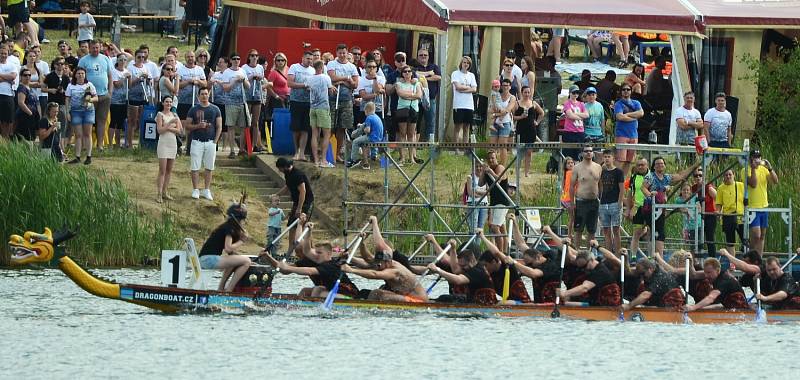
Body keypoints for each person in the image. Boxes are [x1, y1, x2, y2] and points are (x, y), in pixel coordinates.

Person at [642, 157, 699, 254]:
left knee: (659, 233)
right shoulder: (650, 176)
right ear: (654, 167)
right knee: (655, 232)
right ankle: (654, 257)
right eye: (657, 164)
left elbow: (680, 176)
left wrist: (694, 166)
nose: (660, 165)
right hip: (651, 208)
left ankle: (657, 257)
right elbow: (643, 188)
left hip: (661, 208)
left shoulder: (666, 177)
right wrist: (650, 195)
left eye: (662, 163)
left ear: (664, 166)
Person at [198, 201, 253, 292]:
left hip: (203, 259)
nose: (244, 223)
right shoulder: (229, 229)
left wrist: (239, 257)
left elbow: (230, 252)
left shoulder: (227, 226)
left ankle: (221, 288)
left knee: (235, 260)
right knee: (246, 262)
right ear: (239, 220)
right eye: (244, 220)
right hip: (208, 260)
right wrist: (242, 240)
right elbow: (228, 248)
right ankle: (229, 290)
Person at [426, 244, 499, 305]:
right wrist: (453, 248)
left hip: (486, 303)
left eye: (463, 266)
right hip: (475, 300)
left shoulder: (477, 271)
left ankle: (429, 303)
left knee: (445, 298)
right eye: (460, 266)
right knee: (446, 298)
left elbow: (458, 280)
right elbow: (455, 269)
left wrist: (438, 270)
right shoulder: (471, 267)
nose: (461, 268)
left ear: (472, 260)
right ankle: (429, 301)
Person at [475, 228, 532, 303]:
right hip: (507, 304)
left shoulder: (507, 264)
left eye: (486, 265)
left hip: (522, 302)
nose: (484, 268)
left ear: (493, 262)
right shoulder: (489, 273)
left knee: (504, 303)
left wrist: (482, 236)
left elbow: (496, 252)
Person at [186, 86, 222, 200]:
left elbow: (219, 126)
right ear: (198, 96)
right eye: (202, 94)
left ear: (209, 94)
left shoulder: (215, 109)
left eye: (206, 94)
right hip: (197, 141)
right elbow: (187, 126)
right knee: (195, 166)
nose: (204, 96)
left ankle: (206, 189)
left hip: (210, 141)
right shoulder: (193, 109)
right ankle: (195, 189)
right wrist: (198, 126)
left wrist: (215, 141)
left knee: (209, 167)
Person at [78, 40, 113, 152]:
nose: (95, 50)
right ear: (89, 48)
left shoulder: (105, 59)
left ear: (100, 47)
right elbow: (79, 77)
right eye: (93, 48)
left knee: (101, 120)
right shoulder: (83, 60)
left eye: (97, 47)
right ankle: (85, 145)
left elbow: (110, 76)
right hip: (89, 95)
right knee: (87, 120)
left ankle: (100, 145)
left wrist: (110, 92)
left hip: (104, 95)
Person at [326, 44, 359, 163]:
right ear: (336, 53)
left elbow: (355, 84)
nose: (342, 55)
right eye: (340, 53)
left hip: (346, 100)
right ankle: (325, 152)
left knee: (342, 127)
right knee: (329, 127)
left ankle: (337, 153)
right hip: (332, 99)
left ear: (347, 52)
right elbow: (332, 78)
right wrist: (347, 79)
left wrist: (343, 81)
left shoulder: (352, 66)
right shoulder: (331, 64)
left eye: (344, 53)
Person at [557, 247, 621, 306]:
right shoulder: (591, 267)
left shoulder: (600, 271)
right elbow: (571, 257)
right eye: (581, 268)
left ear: (592, 260)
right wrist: (566, 244)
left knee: (566, 303)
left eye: (585, 266)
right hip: (593, 300)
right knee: (566, 303)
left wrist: (564, 293)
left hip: (606, 304)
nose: (584, 269)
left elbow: (584, 288)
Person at [744, 150, 778, 255]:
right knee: (756, 235)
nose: (757, 159)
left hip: (764, 206)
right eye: (755, 157)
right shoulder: (745, 170)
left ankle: (759, 259)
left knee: (762, 236)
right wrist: (754, 169)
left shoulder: (764, 169)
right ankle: (751, 256)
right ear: (750, 159)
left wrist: (770, 168)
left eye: (758, 157)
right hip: (752, 207)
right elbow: (753, 184)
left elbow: (775, 181)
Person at [274, 157, 314, 245]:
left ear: (285, 167)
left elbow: (303, 191)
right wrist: (277, 195)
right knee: (291, 226)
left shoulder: (297, 175)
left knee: (303, 226)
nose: (280, 171)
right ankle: (290, 250)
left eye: (280, 169)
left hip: (306, 203)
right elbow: (287, 186)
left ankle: (309, 248)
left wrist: (299, 209)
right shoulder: (288, 174)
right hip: (297, 202)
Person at [683, 258, 748, 311]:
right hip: (728, 307)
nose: (706, 275)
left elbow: (711, 298)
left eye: (709, 273)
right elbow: (694, 275)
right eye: (705, 272)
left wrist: (693, 308)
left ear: (717, 270)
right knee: (700, 308)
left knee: (697, 308)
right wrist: (691, 262)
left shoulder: (724, 280)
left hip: (740, 311)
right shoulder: (716, 272)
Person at [570, 146, 602, 248]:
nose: (588, 153)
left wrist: (601, 199)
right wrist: (572, 203)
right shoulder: (577, 167)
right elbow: (571, 186)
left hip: (594, 202)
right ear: (582, 153)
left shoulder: (598, 167)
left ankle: (590, 253)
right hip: (581, 201)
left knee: (592, 230)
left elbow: (600, 185)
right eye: (586, 151)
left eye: (590, 151)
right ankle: (576, 251)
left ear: (593, 153)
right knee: (578, 230)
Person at [65, 67, 97, 165]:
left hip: (88, 111)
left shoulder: (89, 85)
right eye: (78, 73)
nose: (80, 75)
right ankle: (77, 157)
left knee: (87, 134)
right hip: (76, 111)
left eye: (82, 73)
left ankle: (88, 156)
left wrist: (89, 100)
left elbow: (96, 97)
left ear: (85, 75)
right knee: (78, 135)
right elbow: (67, 99)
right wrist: (67, 112)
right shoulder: (71, 86)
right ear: (75, 75)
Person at [307, 60, 335, 167]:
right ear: (322, 67)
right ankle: (323, 160)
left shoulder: (310, 78)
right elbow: (330, 91)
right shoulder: (325, 77)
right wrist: (331, 88)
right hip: (323, 108)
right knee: (326, 134)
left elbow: (308, 87)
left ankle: (316, 160)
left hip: (312, 107)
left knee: (314, 134)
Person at [480, 150, 510, 251]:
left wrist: (491, 172)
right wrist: (483, 172)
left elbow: (499, 179)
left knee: (494, 227)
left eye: (493, 158)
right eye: (489, 159)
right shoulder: (488, 170)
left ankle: (500, 252)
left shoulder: (500, 167)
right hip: (494, 202)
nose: (491, 160)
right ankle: (505, 251)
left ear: (496, 158)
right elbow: (480, 184)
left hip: (502, 201)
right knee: (502, 228)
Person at [221, 53, 250, 157]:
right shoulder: (227, 72)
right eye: (234, 59)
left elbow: (248, 86)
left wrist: (243, 80)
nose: (236, 60)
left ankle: (241, 149)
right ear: (231, 60)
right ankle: (232, 150)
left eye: (238, 58)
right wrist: (234, 81)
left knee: (244, 126)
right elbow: (225, 88)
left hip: (242, 102)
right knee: (231, 126)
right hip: (230, 103)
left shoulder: (243, 71)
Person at [287, 51, 314, 161]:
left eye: (311, 59)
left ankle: (302, 153)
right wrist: (304, 85)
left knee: (305, 128)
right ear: (302, 58)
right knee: (296, 128)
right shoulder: (294, 67)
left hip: (309, 102)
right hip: (296, 101)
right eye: (308, 58)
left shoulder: (313, 70)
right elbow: (290, 83)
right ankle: (296, 151)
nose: (309, 61)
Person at [155, 96, 182, 203]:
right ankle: (159, 193)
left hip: (172, 144)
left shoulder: (175, 115)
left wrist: (169, 127)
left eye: (170, 102)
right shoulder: (160, 115)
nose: (169, 104)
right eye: (167, 102)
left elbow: (180, 131)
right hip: (163, 143)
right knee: (162, 170)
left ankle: (165, 191)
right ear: (163, 103)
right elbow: (160, 130)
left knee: (169, 170)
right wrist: (171, 123)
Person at [394, 65, 423, 164]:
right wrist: (412, 95)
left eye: (409, 71)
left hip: (413, 109)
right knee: (402, 133)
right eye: (405, 71)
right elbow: (400, 94)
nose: (407, 73)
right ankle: (402, 157)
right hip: (402, 109)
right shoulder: (398, 83)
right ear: (402, 74)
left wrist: (408, 96)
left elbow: (419, 95)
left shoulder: (416, 83)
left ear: (411, 73)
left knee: (411, 134)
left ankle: (411, 158)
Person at [512, 86, 544, 177]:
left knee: (529, 152)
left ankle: (527, 172)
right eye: (525, 92)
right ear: (522, 93)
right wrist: (521, 117)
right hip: (521, 129)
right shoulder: (517, 103)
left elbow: (542, 113)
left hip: (531, 130)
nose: (527, 94)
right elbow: (512, 117)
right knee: (520, 151)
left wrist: (537, 122)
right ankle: (517, 171)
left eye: (528, 92)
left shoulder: (533, 103)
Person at [614, 84, 644, 175]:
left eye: (628, 89)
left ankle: (624, 182)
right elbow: (619, 117)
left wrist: (626, 115)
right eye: (624, 89)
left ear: (631, 91)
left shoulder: (636, 103)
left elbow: (641, 113)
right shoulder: (618, 104)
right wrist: (634, 118)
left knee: (629, 161)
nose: (626, 91)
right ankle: (615, 181)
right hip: (621, 135)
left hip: (633, 135)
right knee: (620, 160)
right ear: (621, 91)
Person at [599, 149, 625, 252]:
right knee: (606, 230)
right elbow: (600, 186)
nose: (607, 159)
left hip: (615, 202)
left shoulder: (618, 172)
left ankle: (618, 254)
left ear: (613, 158)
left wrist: (619, 203)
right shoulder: (602, 171)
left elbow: (622, 189)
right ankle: (608, 253)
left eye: (609, 156)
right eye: (605, 157)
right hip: (603, 203)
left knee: (616, 230)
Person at [625, 158, 651, 257]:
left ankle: (650, 256)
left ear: (647, 165)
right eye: (638, 165)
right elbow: (630, 194)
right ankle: (633, 256)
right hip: (637, 208)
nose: (640, 167)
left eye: (642, 165)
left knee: (649, 234)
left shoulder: (652, 176)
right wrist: (628, 208)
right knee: (636, 233)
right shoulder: (634, 177)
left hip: (649, 208)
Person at [716, 169, 745, 253]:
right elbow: (719, 203)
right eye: (726, 175)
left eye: (730, 174)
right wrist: (718, 213)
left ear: (734, 175)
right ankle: (732, 264)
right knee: (730, 241)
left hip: (740, 216)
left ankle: (746, 260)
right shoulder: (721, 188)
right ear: (723, 176)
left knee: (745, 239)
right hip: (728, 217)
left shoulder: (741, 185)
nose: (728, 176)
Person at [413, 48, 440, 140]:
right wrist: (428, 74)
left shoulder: (434, 66)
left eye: (425, 55)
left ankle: (429, 146)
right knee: (416, 122)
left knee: (430, 122)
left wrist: (423, 78)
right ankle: (415, 146)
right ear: (417, 57)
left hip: (431, 99)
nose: (423, 56)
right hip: (416, 99)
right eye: (421, 55)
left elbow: (438, 77)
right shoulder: (414, 67)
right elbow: (414, 74)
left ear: (428, 57)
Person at [347, 101, 383, 169]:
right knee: (364, 140)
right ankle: (373, 155)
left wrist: (363, 130)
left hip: (372, 138)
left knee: (355, 141)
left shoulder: (369, 118)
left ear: (367, 110)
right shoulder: (376, 117)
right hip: (379, 138)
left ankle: (354, 159)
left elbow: (368, 130)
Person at [242, 49, 265, 152]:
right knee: (247, 122)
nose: (255, 57)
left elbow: (262, 79)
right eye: (252, 55)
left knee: (255, 123)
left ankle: (254, 145)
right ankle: (243, 146)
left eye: (256, 55)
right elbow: (244, 80)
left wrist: (259, 77)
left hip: (257, 96)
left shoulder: (260, 67)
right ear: (249, 57)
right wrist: (251, 77)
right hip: (247, 96)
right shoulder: (244, 67)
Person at [450, 56, 477, 144]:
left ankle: (465, 148)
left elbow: (474, 89)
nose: (466, 64)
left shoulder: (471, 75)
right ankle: (456, 148)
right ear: (461, 63)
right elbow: (457, 87)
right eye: (464, 62)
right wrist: (468, 87)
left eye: (468, 63)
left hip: (469, 105)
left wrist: (464, 88)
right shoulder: (455, 73)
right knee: (458, 126)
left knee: (467, 127)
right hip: (459, 104)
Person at [489, 79, 516, 164]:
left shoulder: (512, 97)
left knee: (503, 146)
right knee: (492, 145)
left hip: (505, 123)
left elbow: (507, 110)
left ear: (510, 87)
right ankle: (493, 164)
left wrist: (495, 115)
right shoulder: (497, 95)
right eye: (503, 85)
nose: (505, 87)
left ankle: (502, 166)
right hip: (495, 123)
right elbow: (491, 109)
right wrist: (495, 114)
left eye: (507, 85)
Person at [691, 168, 717, 256]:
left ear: (703, 176)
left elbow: (718, 197)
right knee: (697, 238)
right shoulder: (693, 188)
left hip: (710, 215)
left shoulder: (708, 186)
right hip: (698, 216)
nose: (698, 177)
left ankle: (712, 258)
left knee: (709, 238)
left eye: (700, 175)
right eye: (696, 175)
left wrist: (719, 210)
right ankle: (697, 259)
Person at [108, 54, 130, 149]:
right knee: (114, 122)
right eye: (121, 60)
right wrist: (124, 77)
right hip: (115, 100)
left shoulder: (127, 71)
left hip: (124, 100)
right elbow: (116, 84)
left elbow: (130, 85)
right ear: (117, 61)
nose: (123, 61)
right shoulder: (114, 71)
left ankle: (117, 144)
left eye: (125, 60)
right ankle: (110, 144)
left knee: (120, 123)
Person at [561, 85, 588, 161]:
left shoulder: (581, 104)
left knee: (579, 154)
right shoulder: (567, 103)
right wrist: (581, 116)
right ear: (570, 93)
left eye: (577, 92)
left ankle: (578, 171)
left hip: (580, 132)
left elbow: (587, 115)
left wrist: (575, 114)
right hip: (569, 132)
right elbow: (570, 115)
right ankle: (568, 172)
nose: (575, 94)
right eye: (574, 92)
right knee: (569, 155)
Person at [16, 67, 39, 141]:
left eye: (29, 75)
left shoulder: (28, 87)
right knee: (26, 138)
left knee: (31, 137)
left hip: (31, 116)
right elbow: (21, 102)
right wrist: (30, 113)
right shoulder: (22, 88)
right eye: (25, 75)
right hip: (25, 116)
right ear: (21, 77)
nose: (27, 77)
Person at [464, 164, 489, 231]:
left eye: (480, 166)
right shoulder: (470, 177)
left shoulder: (486, 177)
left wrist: (477, 191)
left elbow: (488, 192)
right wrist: (483, 193)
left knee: (480, 228)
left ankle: (478, 241)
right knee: (473, 227)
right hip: (473, 204)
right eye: (476, 166)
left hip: (484, 205)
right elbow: (470, 193)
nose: (478, 168)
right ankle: (472, 241)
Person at [677, 183, 701, 250]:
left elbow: (699, 208)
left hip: (697, 223)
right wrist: (684, 209)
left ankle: (696, 259)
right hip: (687, 226)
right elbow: (679, 209)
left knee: (697, 245)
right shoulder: (679, 200)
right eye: (684, 190)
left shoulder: (694, 198)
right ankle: (691, 259)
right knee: (691, 246)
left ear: (690, 191)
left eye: (687, 190)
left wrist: (690, 211)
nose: (686, 191)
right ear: (681, 191)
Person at [0, 47, 16, 140]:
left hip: (8, 95)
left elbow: (13, 76)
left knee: (8, 120)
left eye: (5, 53)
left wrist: (2, 76)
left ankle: (5, 139)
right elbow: (10, 77)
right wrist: (8, 78)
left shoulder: (11, 65)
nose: (3, 55)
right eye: (1, 53)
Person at [561, 156, 575, 240]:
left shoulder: (566, 174)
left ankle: (570, 233)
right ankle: (570, 234)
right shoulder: (570, 173)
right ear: (565, 165)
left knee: (572, 217)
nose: (570, 164)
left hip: (566, 198)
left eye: (572, 163)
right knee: (572, 217)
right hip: (569, 198)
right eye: (568, 163)